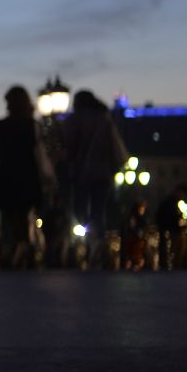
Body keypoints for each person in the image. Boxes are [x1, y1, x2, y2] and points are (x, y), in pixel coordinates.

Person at [61, 89, 128, 261]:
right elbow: (116, 148)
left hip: (81, 172)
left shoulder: (74, 121)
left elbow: (67, 148)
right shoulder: (105, 120)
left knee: (79, 209)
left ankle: (82, 243)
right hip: (103, 173)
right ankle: (98, 240)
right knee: (99, 210)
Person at [0, 85, 48, 269]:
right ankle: (24, 249)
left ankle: (14, 251)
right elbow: (39, 153)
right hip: (28, 178)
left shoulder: (2, 125)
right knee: (24, 217)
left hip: (7, 179)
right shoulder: (32, 125)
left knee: (9, 219)